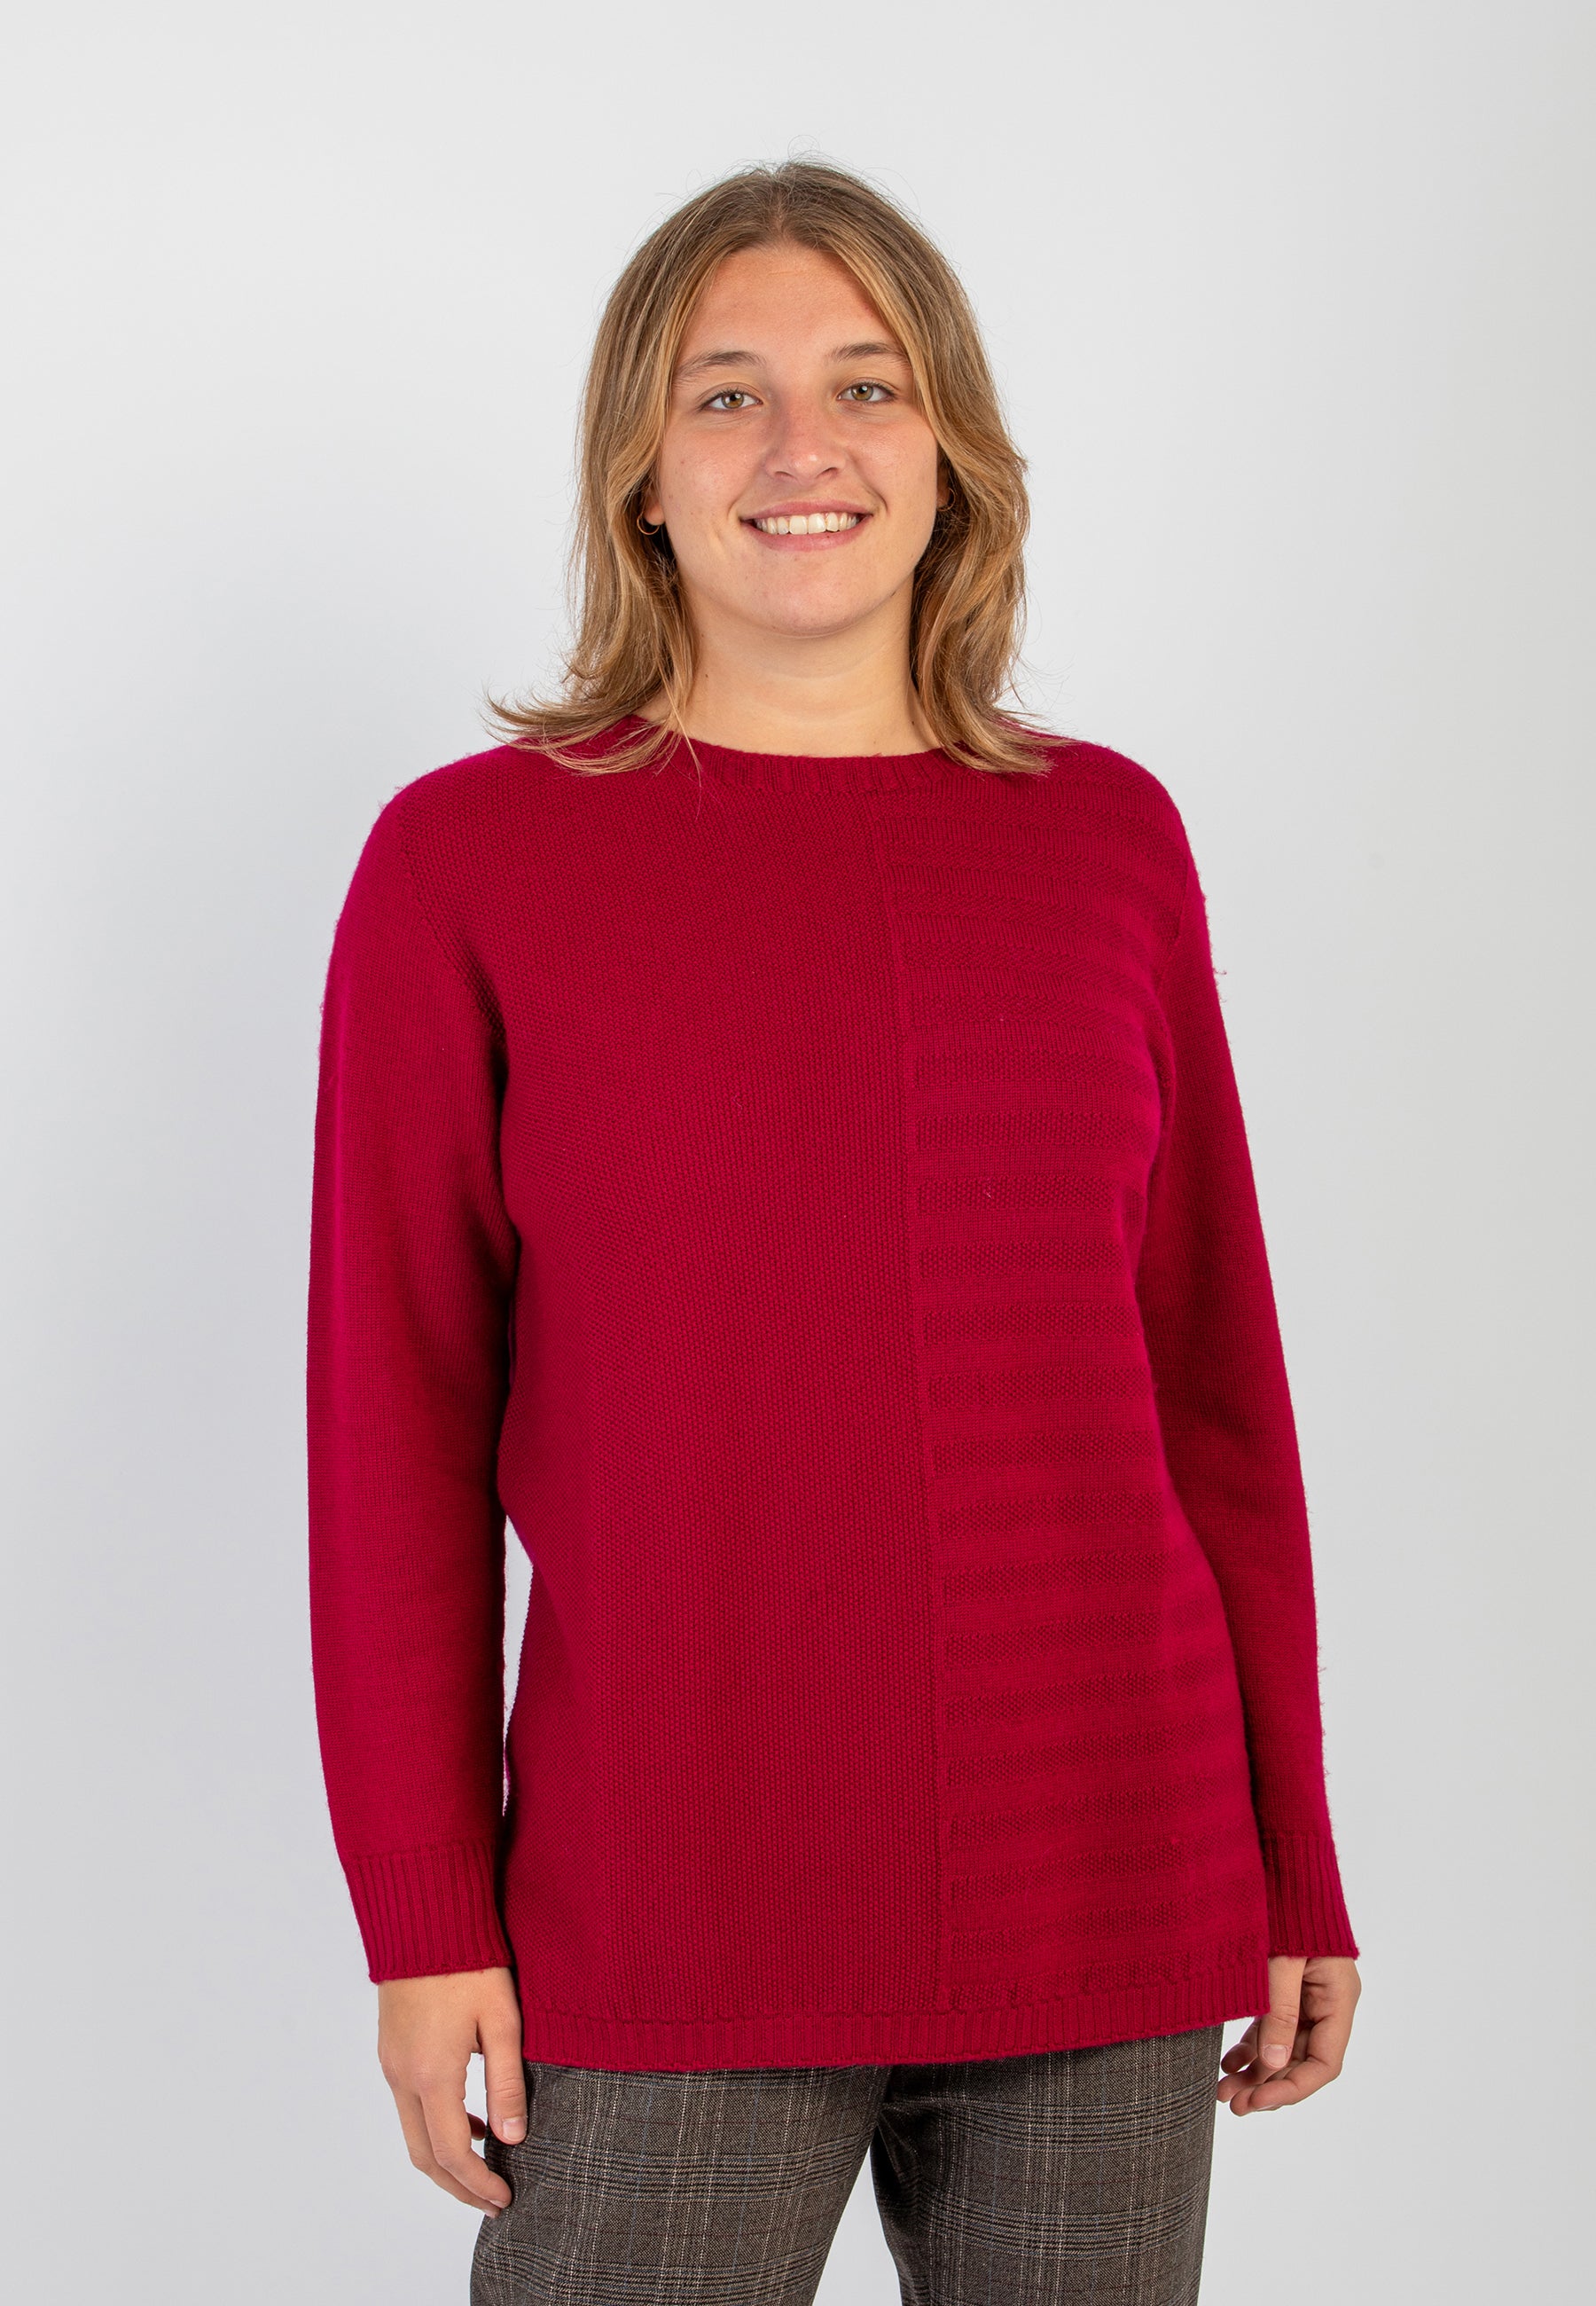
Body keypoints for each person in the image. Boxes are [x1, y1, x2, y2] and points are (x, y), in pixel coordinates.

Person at [306, 159, 1361, 2304]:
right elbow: (393, 1430)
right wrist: (424, 1919)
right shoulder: (465, 866)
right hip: (671, 1909)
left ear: (953, 451)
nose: (806, 445)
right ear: (643, 472)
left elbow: (1213, 1388)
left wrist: (1295, 1851)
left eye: (869, 385)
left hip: (1108, 1877)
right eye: (730, 394)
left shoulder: (1109, 842)